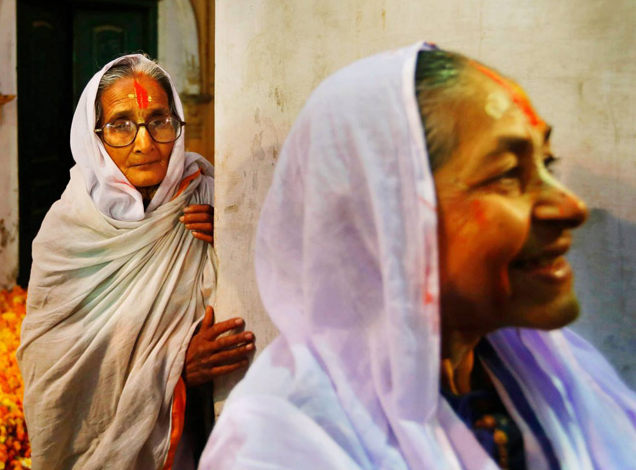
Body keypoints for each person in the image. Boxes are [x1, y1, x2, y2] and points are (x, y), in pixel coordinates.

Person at [200, 42, 636, 469]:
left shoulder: (560, 373)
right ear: (387, 220)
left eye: (548, 163)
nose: (571, 208)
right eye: (508, 174)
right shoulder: (282, 443)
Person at [18, 54, 256, 470]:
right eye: (121, 125)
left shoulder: (208, 199)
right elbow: (54, 366)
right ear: (95, 137)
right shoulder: (67, 231)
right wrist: (177, 367)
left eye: (159, 121)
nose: (144, 144)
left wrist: (235, 239)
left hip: (192, 438)